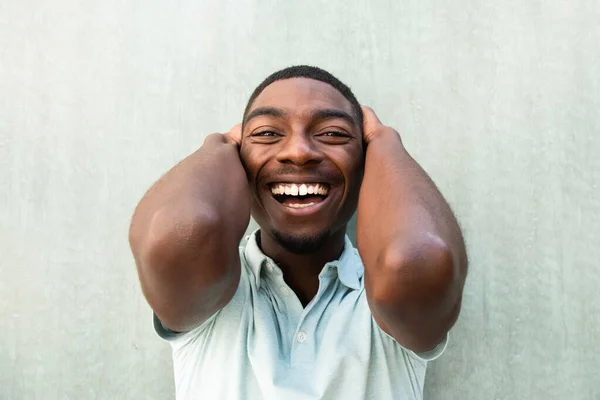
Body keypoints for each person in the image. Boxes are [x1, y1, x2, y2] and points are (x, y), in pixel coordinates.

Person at [128, 65, 468, 400]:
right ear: (237, 165)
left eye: (333, 133)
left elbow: (418, 260)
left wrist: (384, 140)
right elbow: (179, 234)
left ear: (367, 165)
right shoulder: (207, 288)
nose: (298, 152)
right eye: (266, 134)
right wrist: (219, 144)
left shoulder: (386, 299)